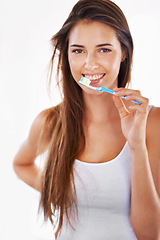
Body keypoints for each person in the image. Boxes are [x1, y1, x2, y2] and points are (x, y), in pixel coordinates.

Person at [13, 0, 160, 239]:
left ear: (123, 52)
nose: (90, 64)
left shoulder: (152, 122)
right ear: (67, 55)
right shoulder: (51, 121)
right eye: (78, 50)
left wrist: (137, 146)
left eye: (103, 49)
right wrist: (57, 191)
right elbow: (21, 164)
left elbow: (150, 235)